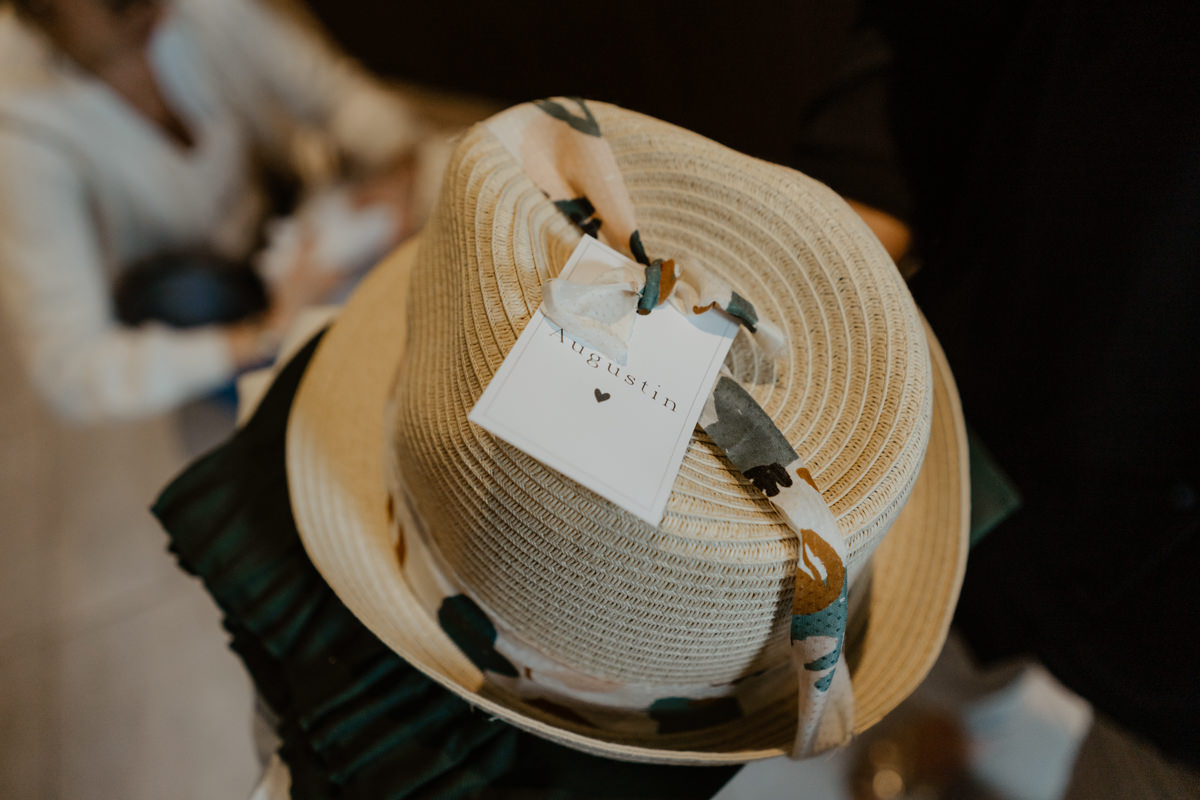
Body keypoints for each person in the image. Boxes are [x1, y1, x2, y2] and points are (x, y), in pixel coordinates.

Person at [0, 0, 423, 422]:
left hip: (289, 213)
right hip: (201, 292)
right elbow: (70, 369)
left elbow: (334, 94)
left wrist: (397, 173)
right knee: (184, 299)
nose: (147, 9)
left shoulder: (197, 10)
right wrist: (267, 333)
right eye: (118, 4)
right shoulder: (21, 132)